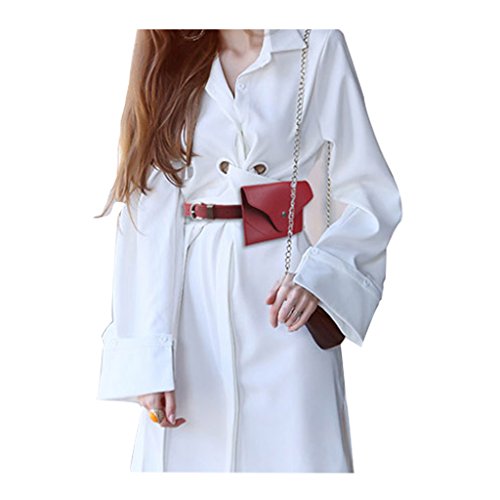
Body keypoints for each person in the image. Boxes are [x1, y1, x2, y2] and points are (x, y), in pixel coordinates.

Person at [95, 28, 402, 473]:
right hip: (190, 304)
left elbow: (370, 191)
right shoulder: (170, 52)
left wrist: (320, 276)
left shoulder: (317, 46)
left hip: (285, 299)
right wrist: (148, 354)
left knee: (297, 457)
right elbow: (150, 210)